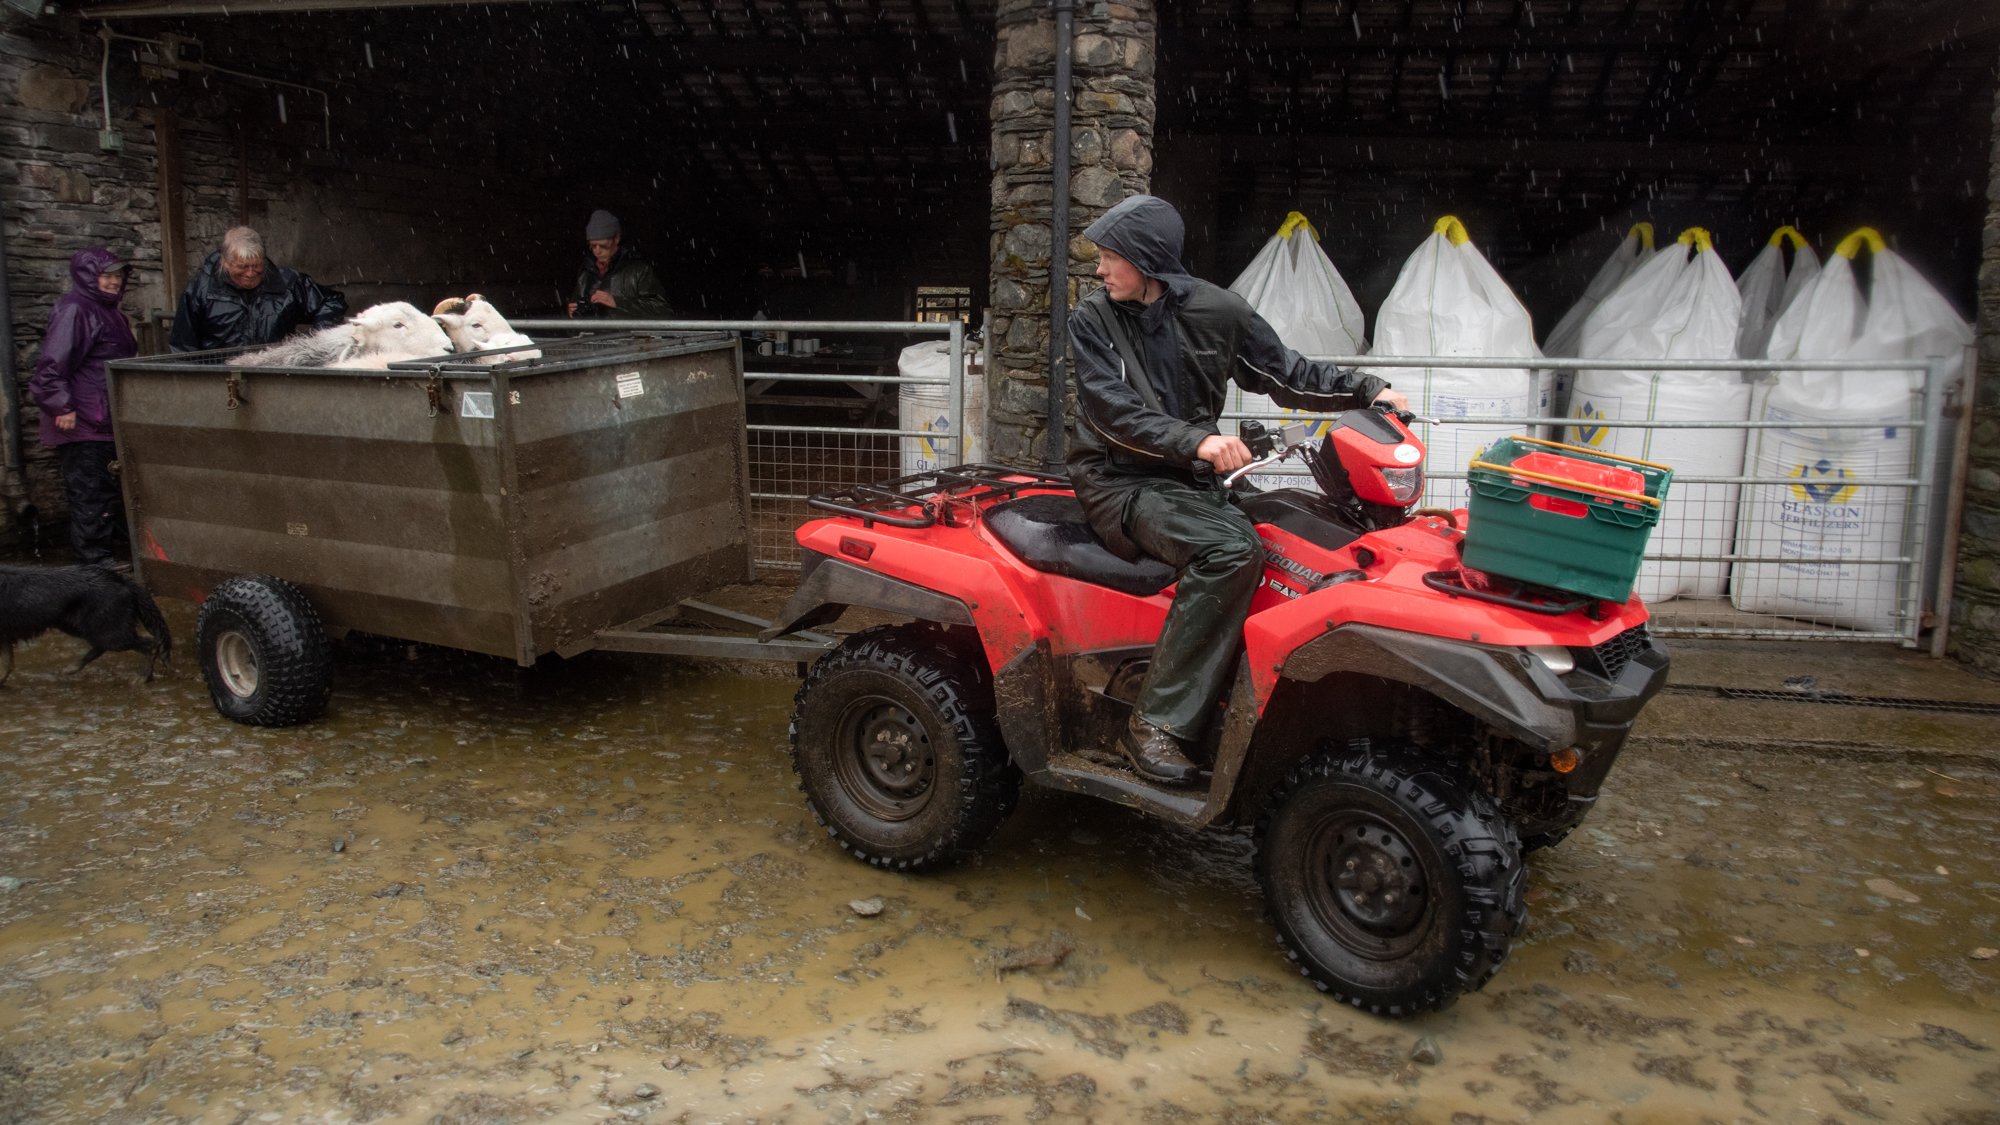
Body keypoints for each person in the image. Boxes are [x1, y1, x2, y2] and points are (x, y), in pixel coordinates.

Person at [1067, 194, 1407, 785]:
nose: (1100, 270)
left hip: (1193, 478)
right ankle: (1155, 726)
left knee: (1295, 539)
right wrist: (1194, 442)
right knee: (1231, 550)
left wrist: (1367, 389)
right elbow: (1111, 411)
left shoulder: (1220, 311)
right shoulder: (1094, 319)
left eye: (1109, 257)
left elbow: (1287, 372)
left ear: (1146, 260)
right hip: (1119, 479)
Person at [29, 248, 138, 568]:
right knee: (90, 493)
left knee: (106, 491)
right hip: (83, 421)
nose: (114, 282)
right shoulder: (75, 309)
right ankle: (93, 563)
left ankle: (106, 553)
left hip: (103, 418)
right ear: (88, 277)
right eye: (107, 276)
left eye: (118, 276)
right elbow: (52, 364)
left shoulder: (110, 312)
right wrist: (60, 406)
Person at [169, 226, 347, 352]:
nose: (250, 273)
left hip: (274, 373)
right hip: (222, 377)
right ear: (226, 263)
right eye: (243, 266)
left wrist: (320, 340)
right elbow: (183, 346)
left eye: (256, 266)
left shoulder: (288, 283)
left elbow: (331, 301)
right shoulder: (201, 290)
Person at [567, 209, 672, 318]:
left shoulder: (639, 270)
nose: (597, 251)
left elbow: (663, 310)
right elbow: (573, 322)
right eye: (593, 246)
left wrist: (618, 303)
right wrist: (574, 315)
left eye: (603, 245)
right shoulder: (586, 272)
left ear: (616, 239)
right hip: (591, 334)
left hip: (627, 335)